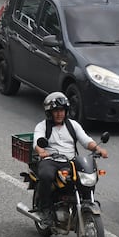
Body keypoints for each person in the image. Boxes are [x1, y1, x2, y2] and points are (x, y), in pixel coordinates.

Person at [31, 92, 106, 223]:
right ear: (50, 112)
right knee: (46, 175)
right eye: (56, 111)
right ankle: (45, 209)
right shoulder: (42, 126)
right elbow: (37, 141)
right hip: (51, 160)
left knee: (89, 174)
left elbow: (85, 140)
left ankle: (87, 201)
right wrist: (41, 151)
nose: (60, 114)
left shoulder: (73, 125)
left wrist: (97, 149)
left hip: (70, 161)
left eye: (62, 110)